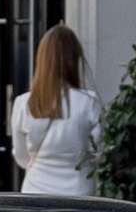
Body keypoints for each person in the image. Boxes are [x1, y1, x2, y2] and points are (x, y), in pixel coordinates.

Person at [10, 25, 101, 194]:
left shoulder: (23, 103)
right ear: (75, 59)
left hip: (35, 189)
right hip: (79, 188)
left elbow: (21, 156)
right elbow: (98, 152)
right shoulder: (89, 102)